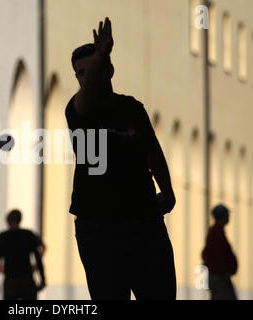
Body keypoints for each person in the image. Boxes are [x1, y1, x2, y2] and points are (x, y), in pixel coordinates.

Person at [65, 17, 177, 300]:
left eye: (91, 69)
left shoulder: (132, 108)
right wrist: (99, 56)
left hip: (144, 223)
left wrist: (168, 191)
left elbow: (154, 152)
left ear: (109, 71)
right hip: (99, 228)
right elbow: (87, 93)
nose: (85, 77)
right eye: (79, 73)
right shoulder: (79, 111)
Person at [0, 209, 46, 300]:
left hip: (10, 279)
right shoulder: (28, 235)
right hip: (27, 279)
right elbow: (37, 257)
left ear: (8, 220)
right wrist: (42, 278)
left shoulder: (3, 237)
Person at [202, 204, 238, 300]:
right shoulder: (217, 233)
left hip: (219, 276)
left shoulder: (216, 232)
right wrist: (224, 272)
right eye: (227, 214)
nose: (228, 217)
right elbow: (219, 255)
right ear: (223, 216)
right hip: (220, 277)